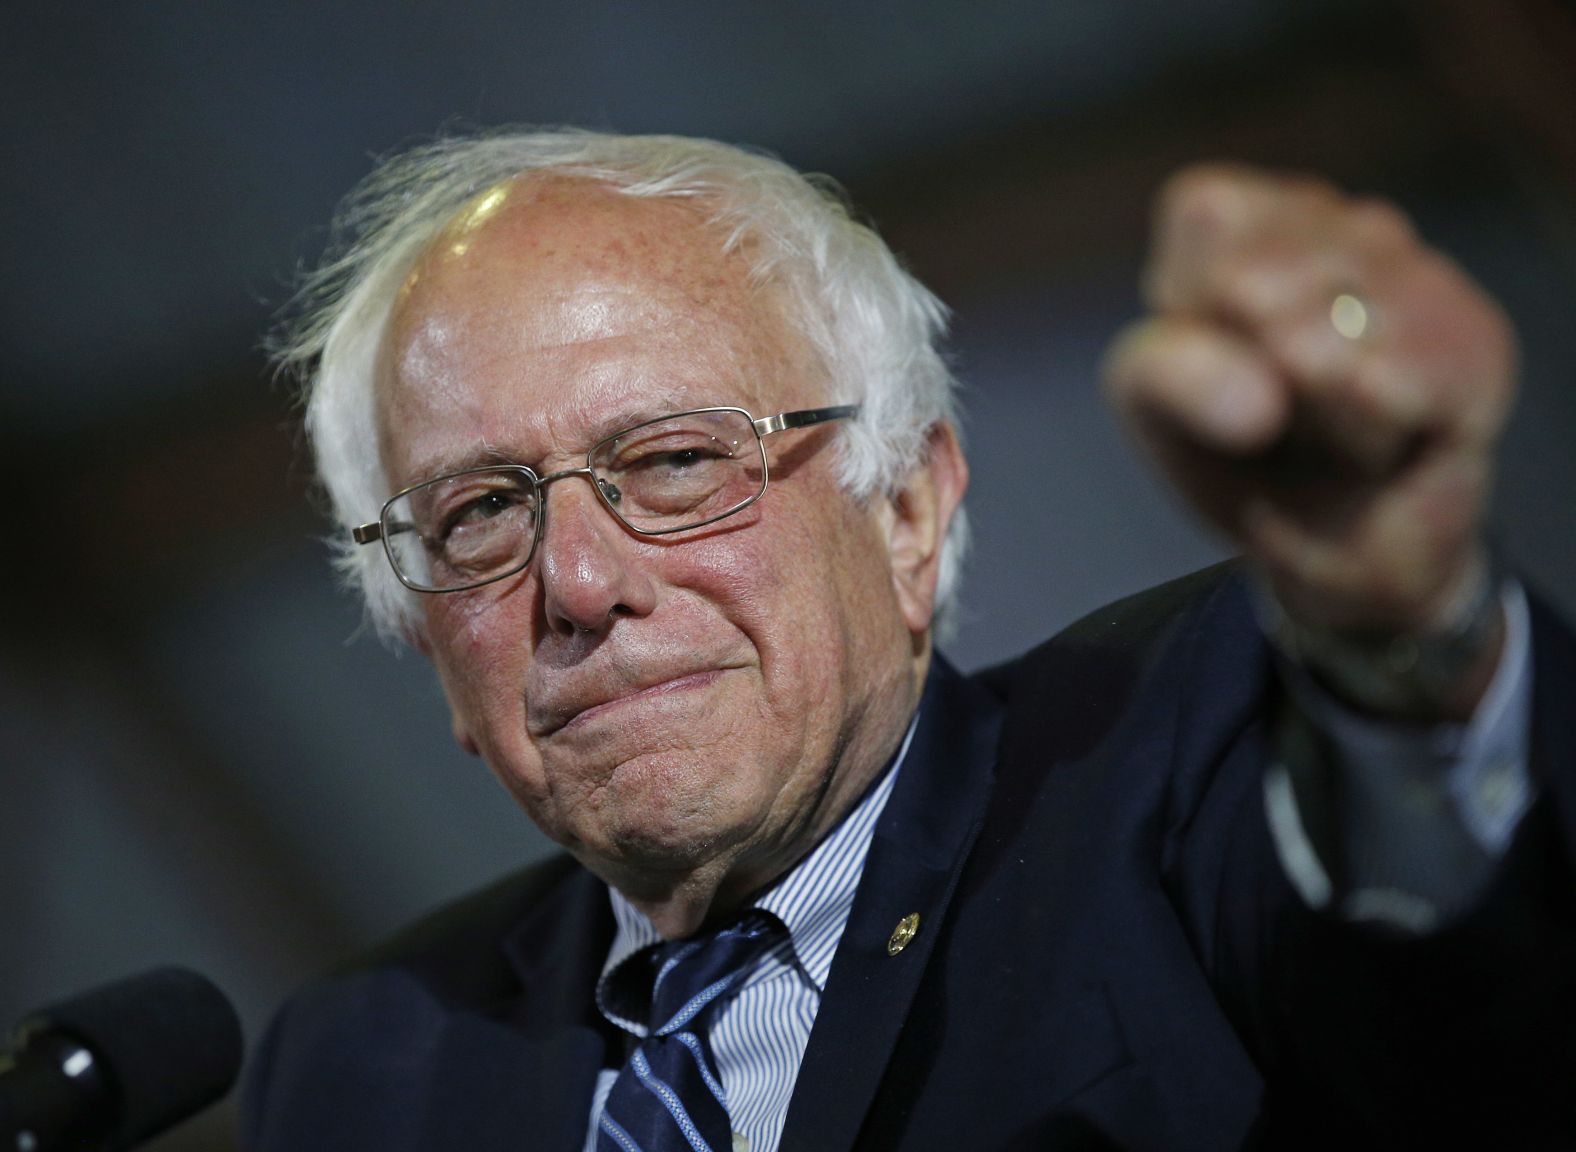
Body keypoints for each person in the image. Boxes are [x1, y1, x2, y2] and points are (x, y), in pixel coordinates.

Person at [241, 130, 1575, 1151]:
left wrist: (1411, 658)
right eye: (480, 511)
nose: (580, 582)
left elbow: (1475, 1035)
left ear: (909, 512)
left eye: (673, 460)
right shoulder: (366, 1068)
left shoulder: (1194, 744)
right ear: (427, 649)